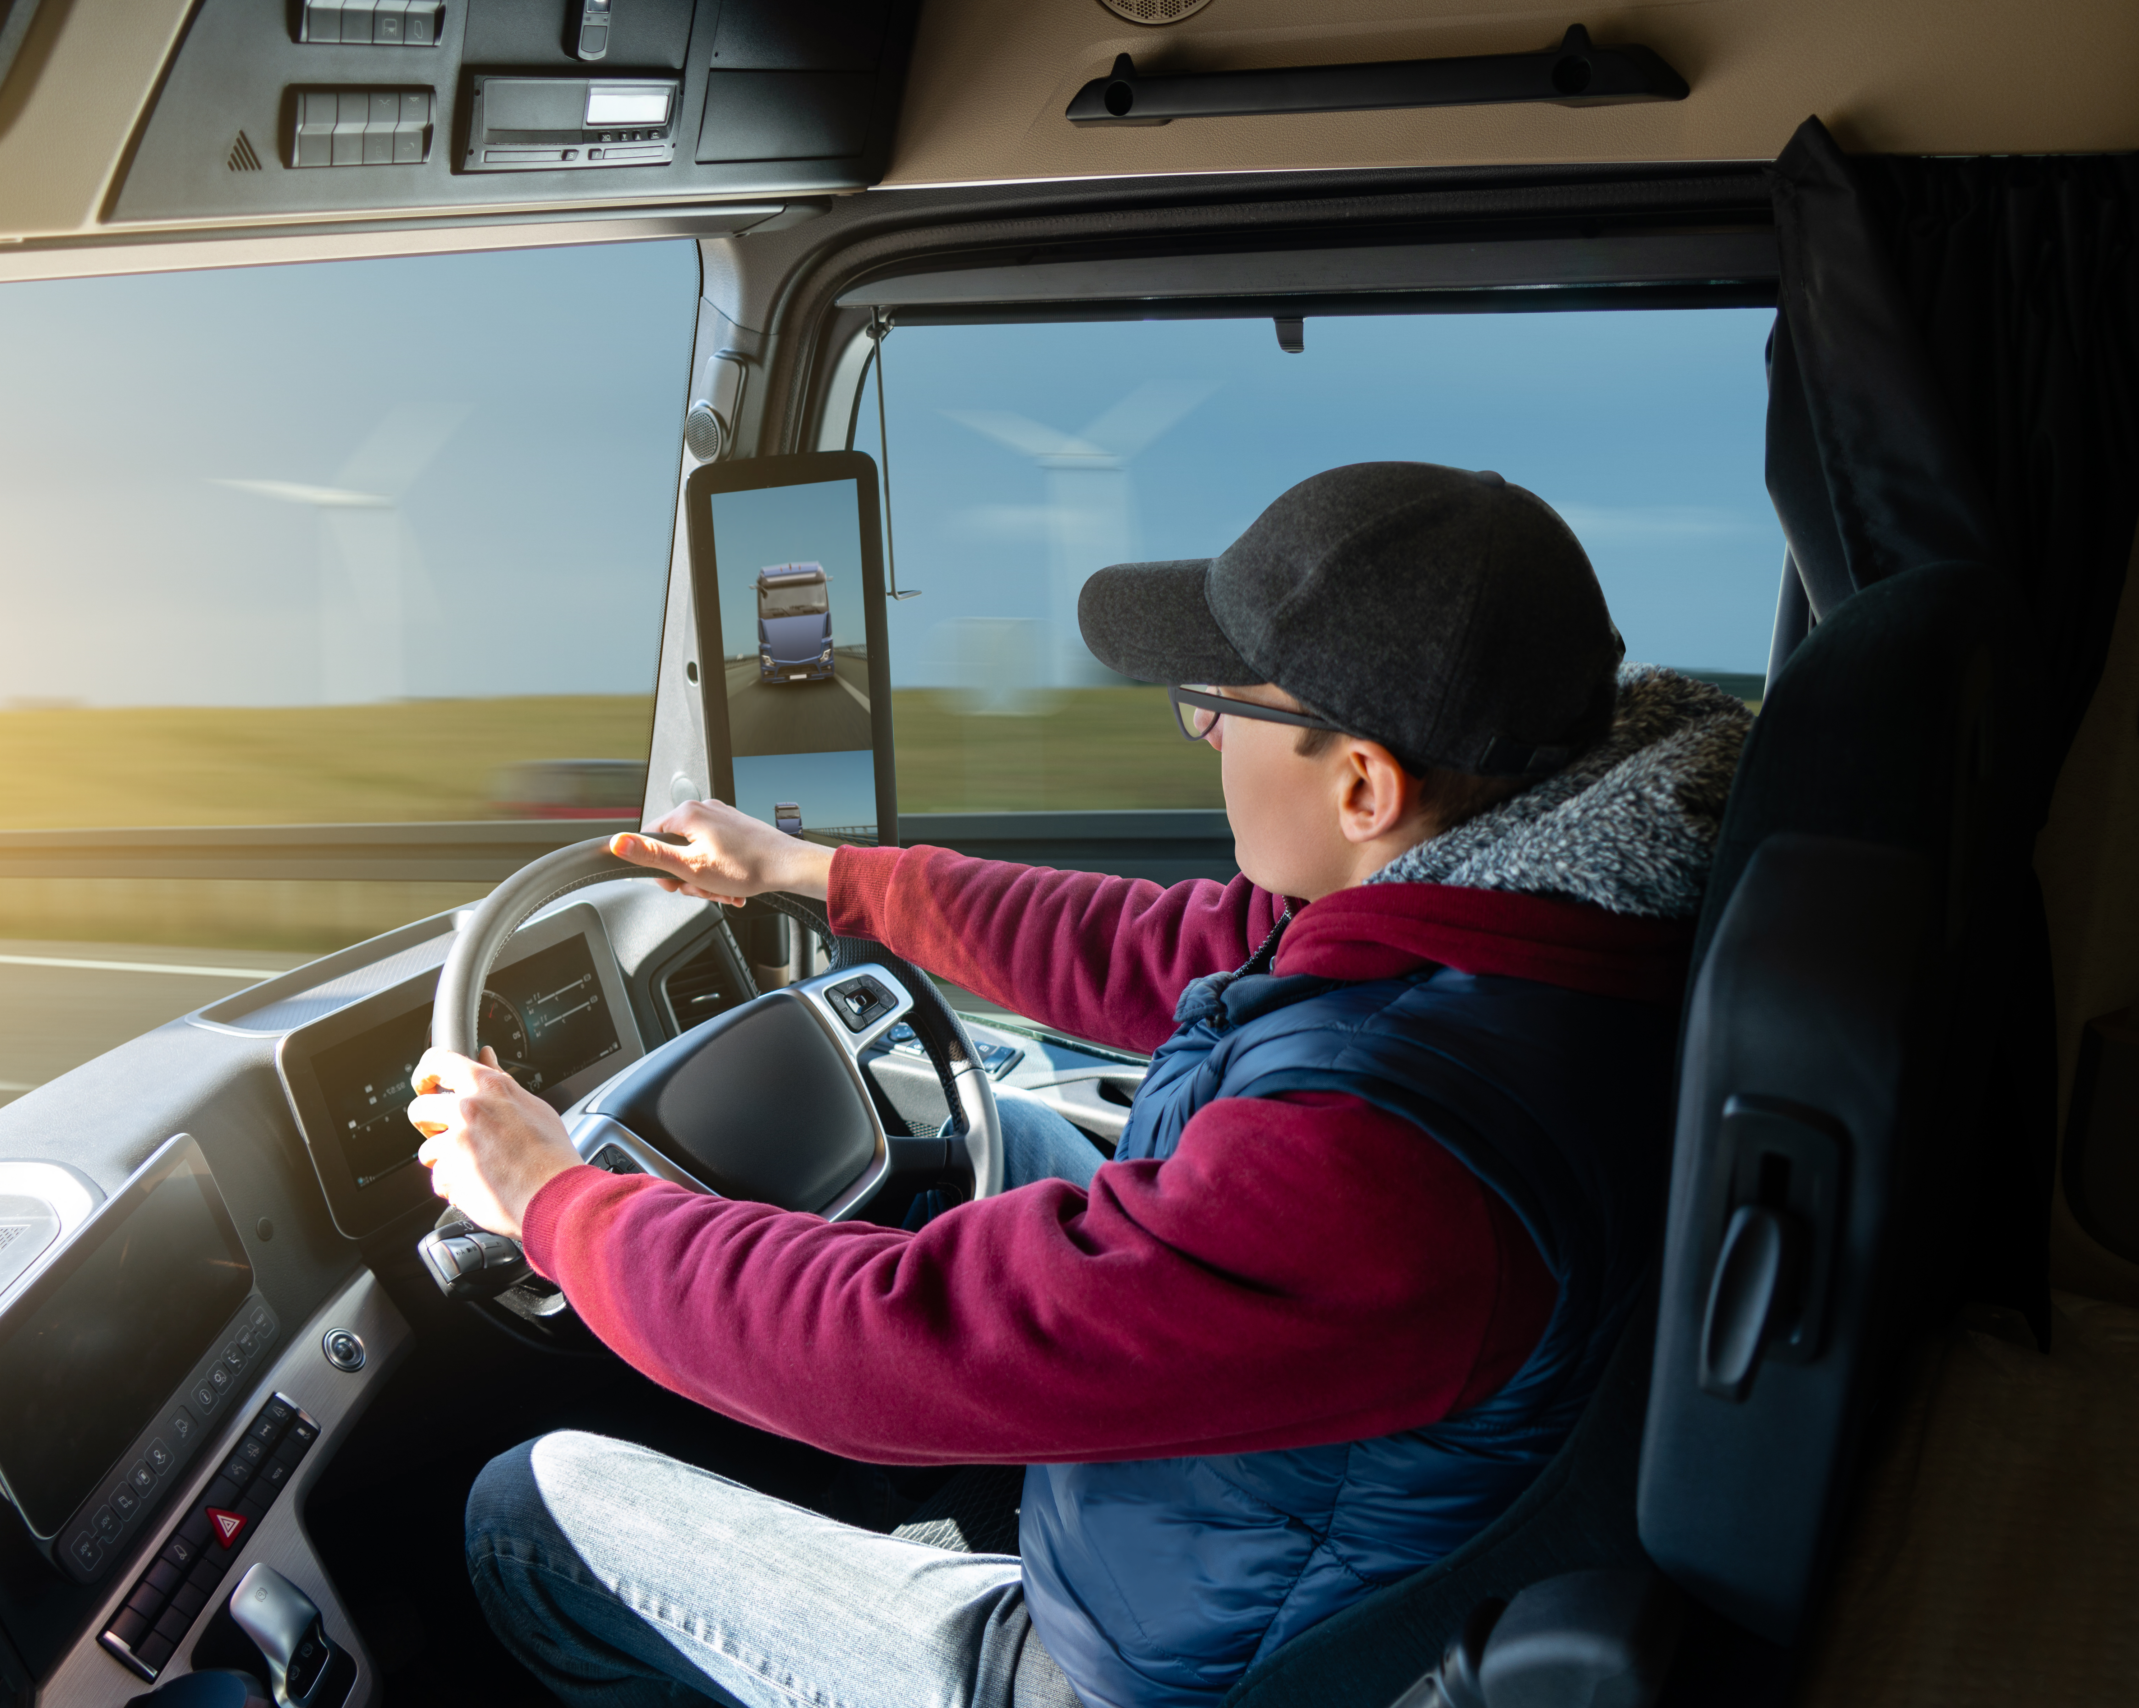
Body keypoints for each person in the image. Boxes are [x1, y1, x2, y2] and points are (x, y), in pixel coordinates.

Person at [409, 462, 1752, 1708]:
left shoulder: (1389, 1158)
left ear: (1361, 784)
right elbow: (1168, 948)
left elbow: (907, 1343)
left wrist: (555, 1202)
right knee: (1038, 1130)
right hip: (1265, 1520)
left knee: (526, 1511)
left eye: (1222, 709)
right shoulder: (1521, 914)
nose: (1204, 733)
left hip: (1163, 1668)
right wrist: (815, 874)